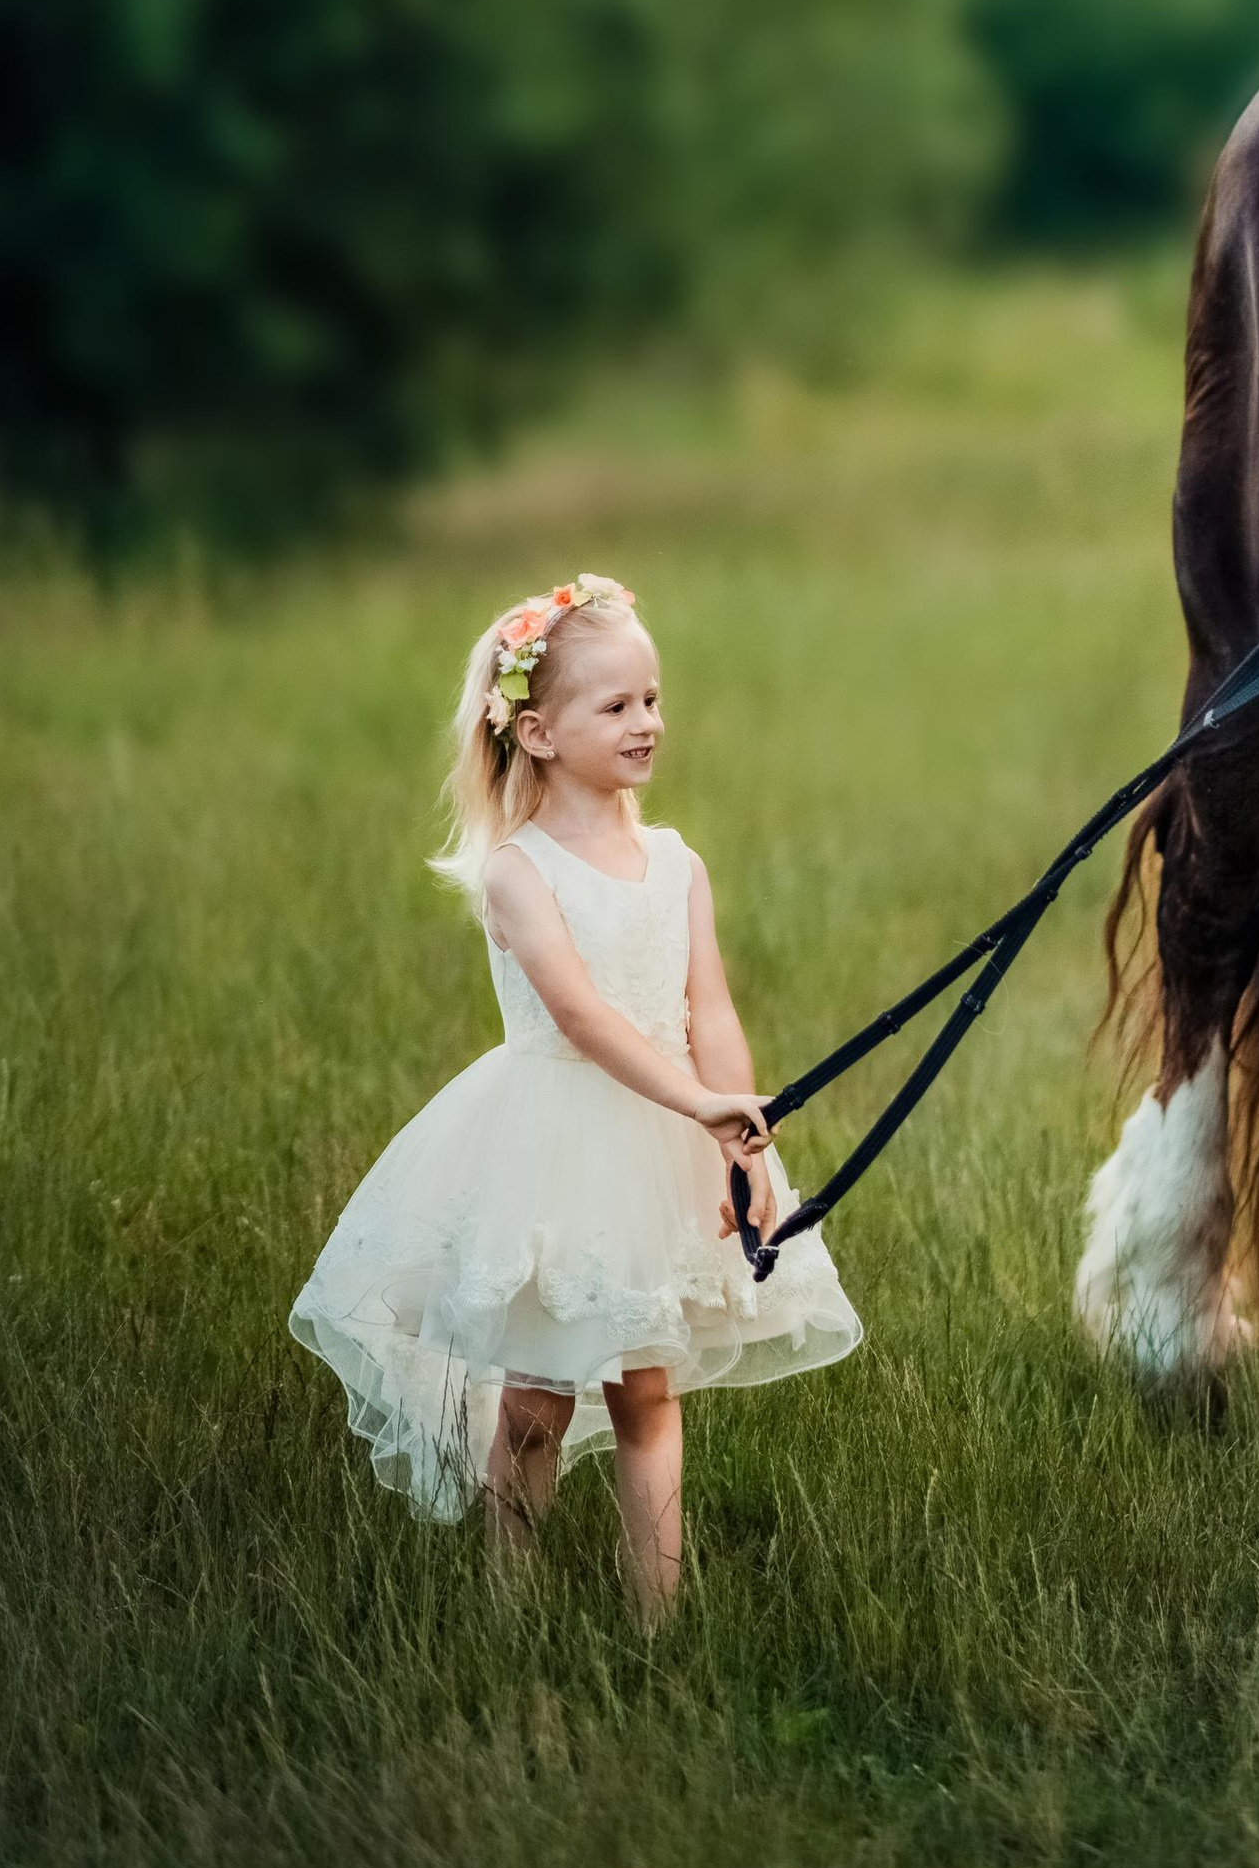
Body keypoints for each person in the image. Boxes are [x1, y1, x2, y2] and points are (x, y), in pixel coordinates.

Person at [290, 571, 859, 1620]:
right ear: (540, 732)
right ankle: (513, 1602)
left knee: (648, 1385)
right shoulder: (518, 870)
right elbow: (589, 1020)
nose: (647, 722)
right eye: (617, 705)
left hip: (669, 1139)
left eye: (651, 699)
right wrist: (698, 1101)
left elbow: (710, 1007)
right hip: (553, 1150)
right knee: (539, 1396)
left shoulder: (677, 862)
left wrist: (738, 1127)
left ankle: (658, 1617)